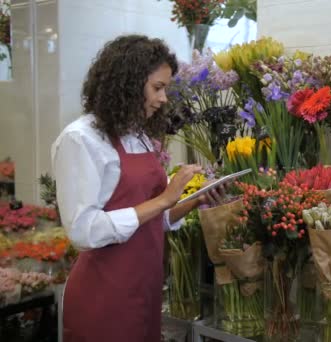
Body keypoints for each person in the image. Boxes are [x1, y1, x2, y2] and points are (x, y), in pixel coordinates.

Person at [51, 35, 224, 341]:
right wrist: (164, 200)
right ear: (128, 83)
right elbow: (83, 230)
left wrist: (193, 200)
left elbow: (155, 220)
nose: (163, 98)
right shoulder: (81, 139)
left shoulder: (137, 136)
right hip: (103, 295)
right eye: (157, 87)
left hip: (144, 290)